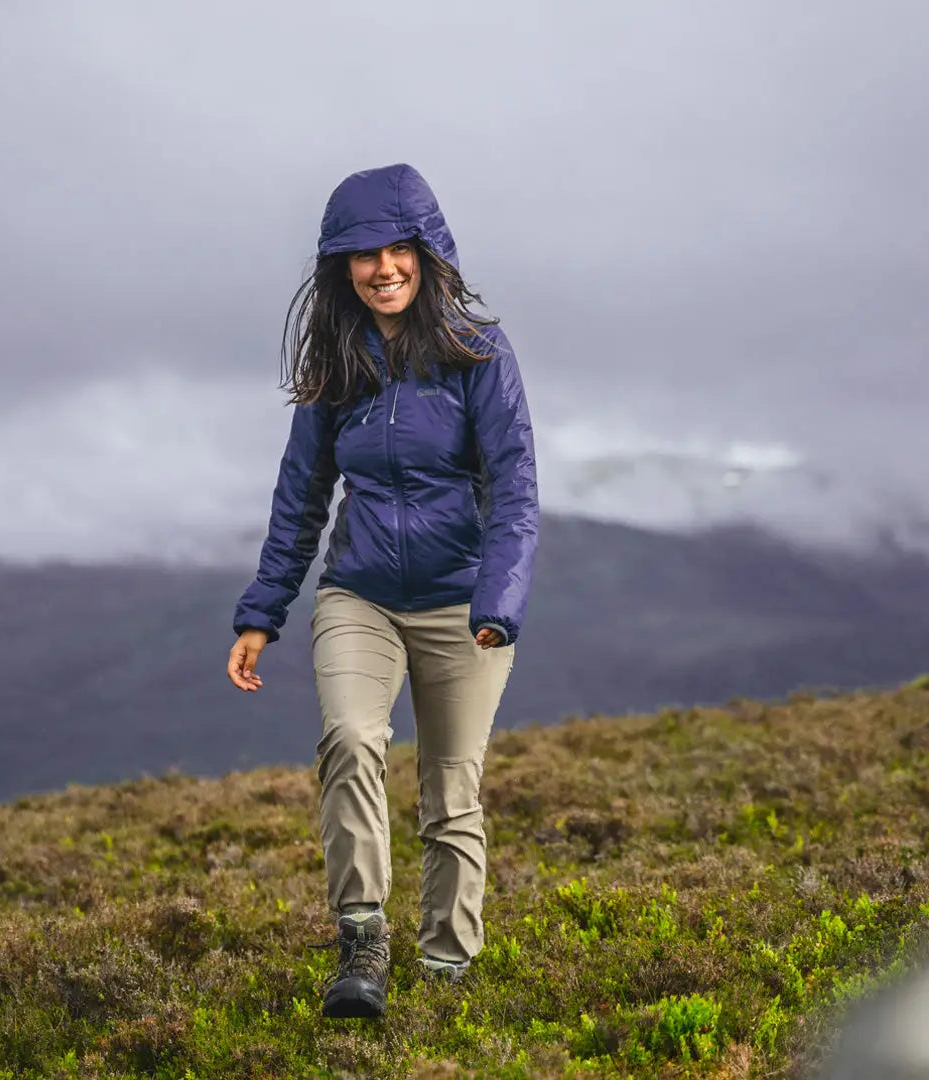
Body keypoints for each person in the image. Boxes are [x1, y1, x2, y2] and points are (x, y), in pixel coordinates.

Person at [228, 163, 539, 1019]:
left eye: (399, 248)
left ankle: (446, 974)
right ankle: (362, 939)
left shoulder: (481, 352)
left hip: (461, 604)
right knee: (353, 736)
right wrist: (264, 612)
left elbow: (514, 487)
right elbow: (301, 493)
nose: (383, 268)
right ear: (340, 266)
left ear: (429, 254)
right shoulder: (335, 360)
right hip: (357, 593)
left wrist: (497, 604)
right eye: (363, 253)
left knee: (451, 786)